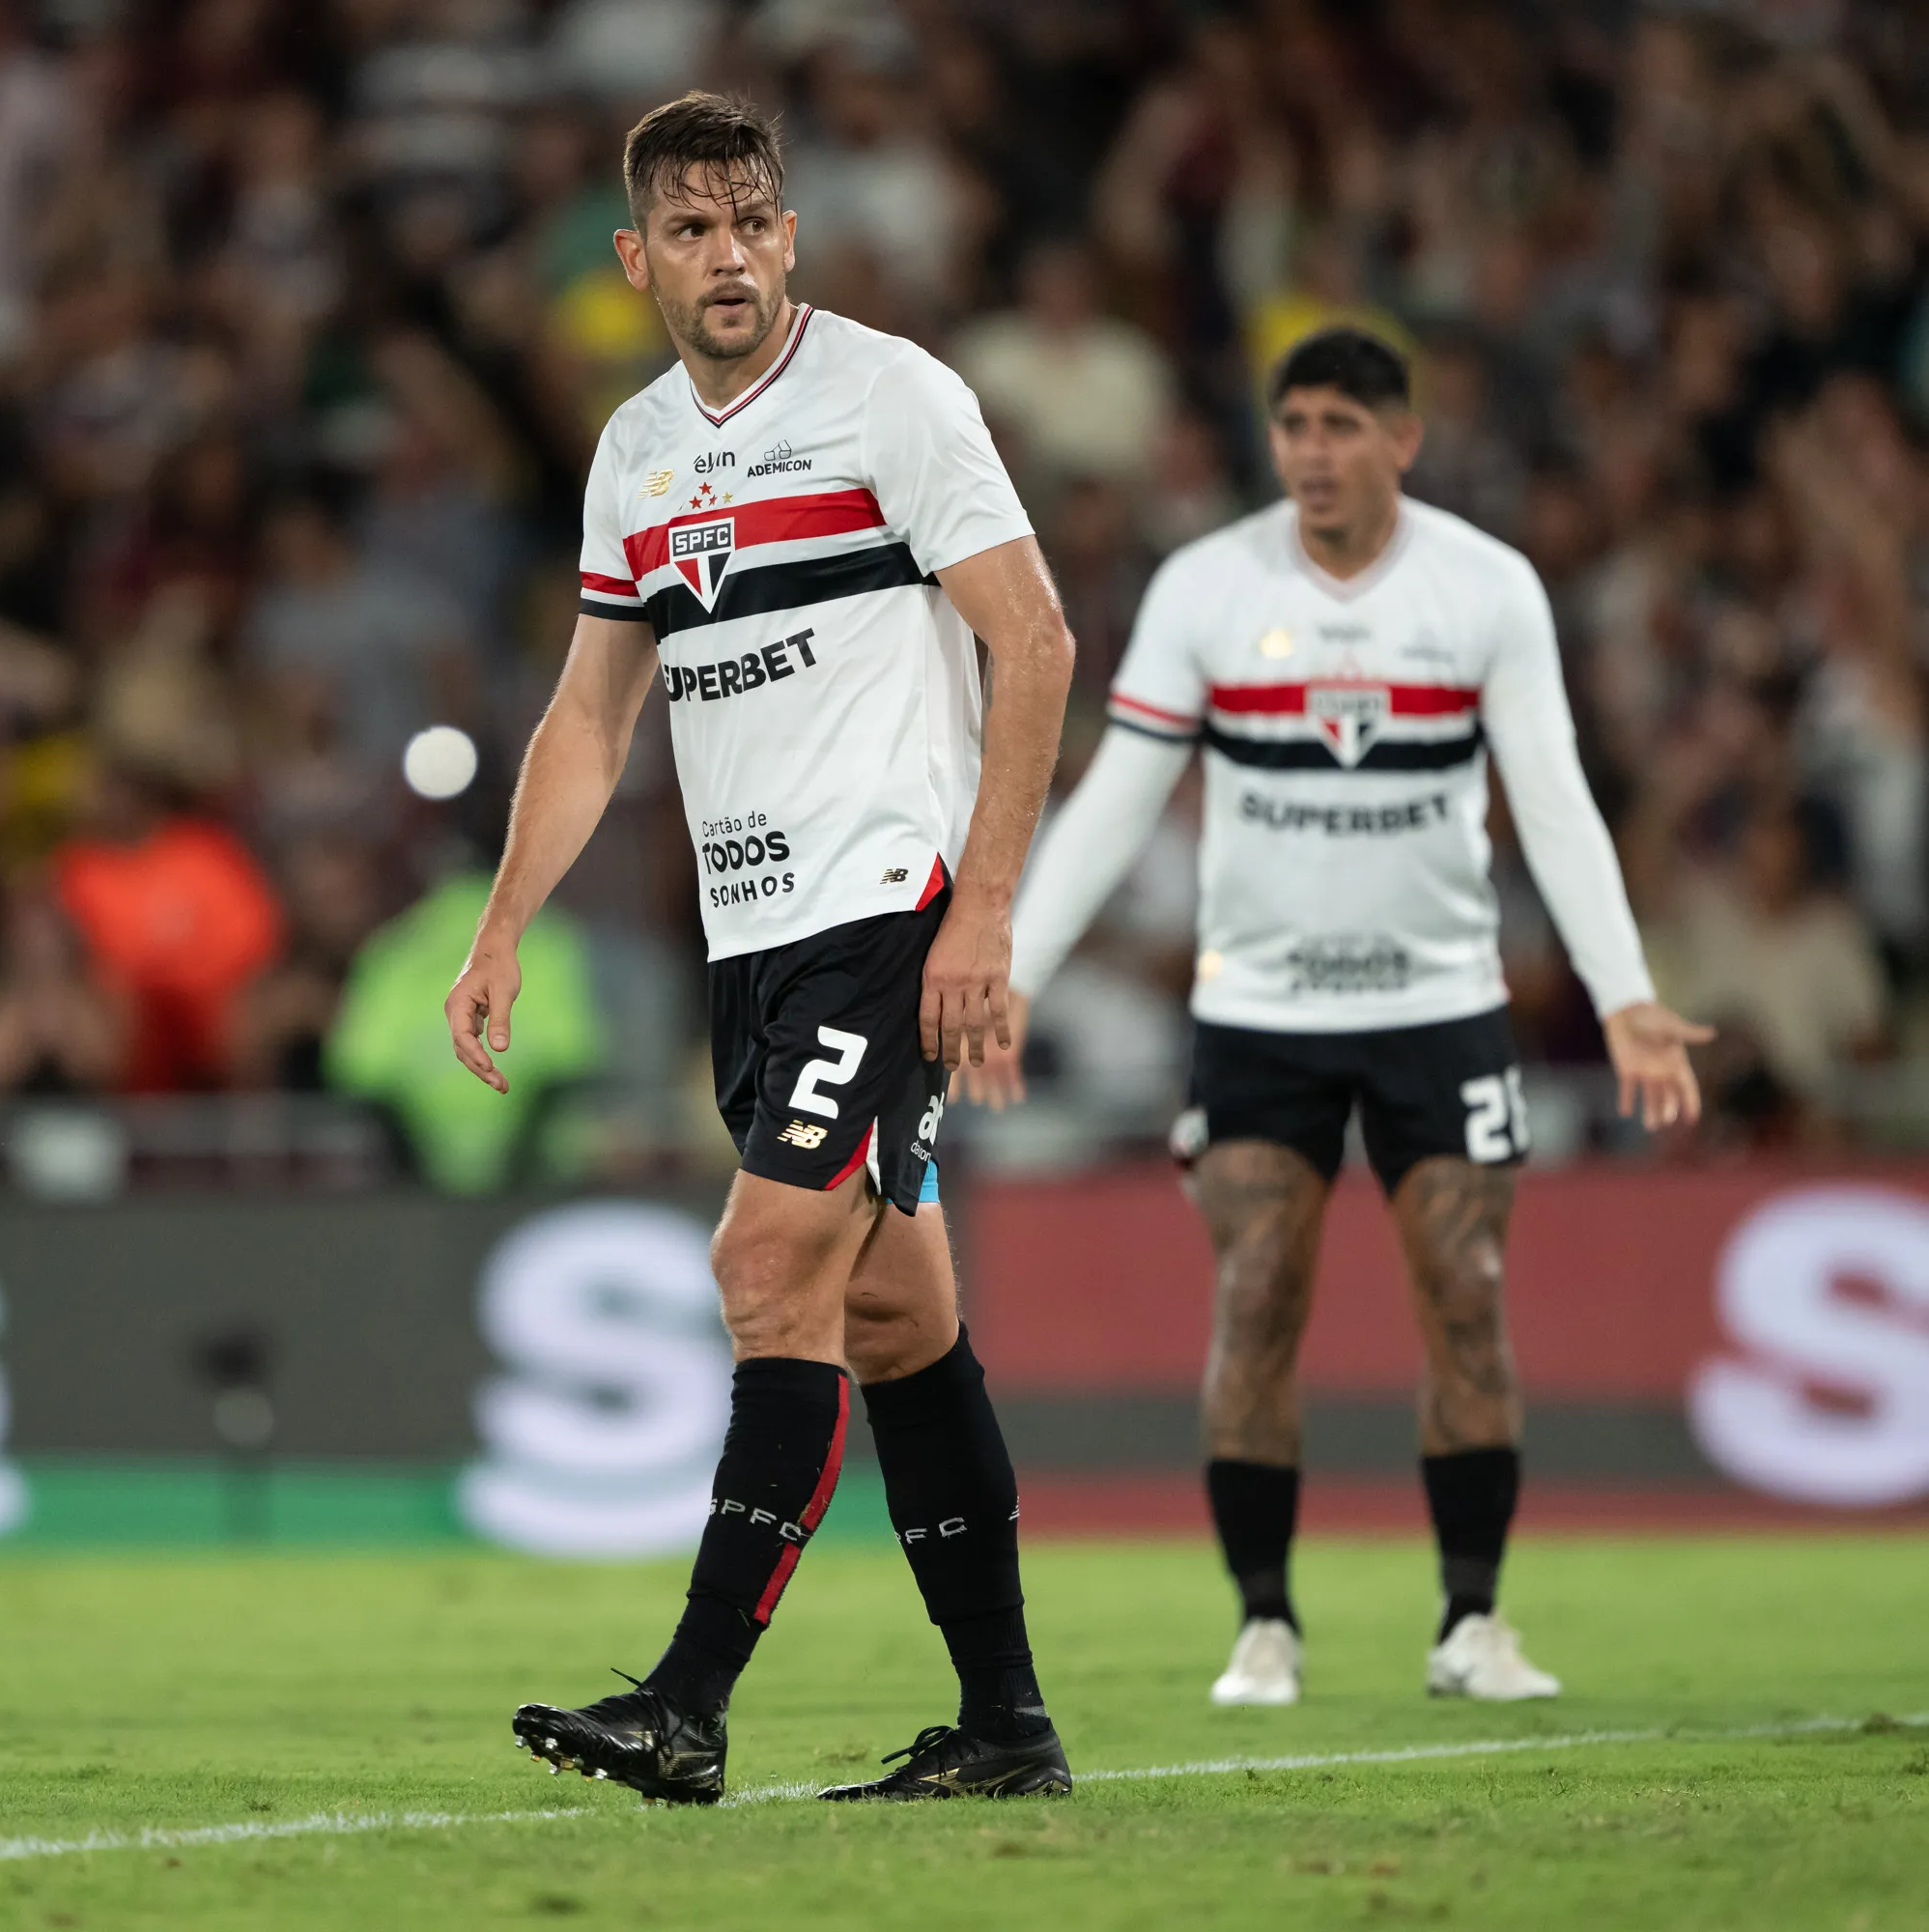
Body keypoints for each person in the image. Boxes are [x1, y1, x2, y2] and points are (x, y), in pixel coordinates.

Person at [448, 94, 1076, 1804]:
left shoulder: (893, 397)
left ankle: (689, 1703)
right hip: (759, 940)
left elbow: (1034, 641)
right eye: (692, 231)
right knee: (893, 1326)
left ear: (790, 238)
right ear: (636, 259)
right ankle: (1008, 1725)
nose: (727, 257)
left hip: (889, 911)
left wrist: (988, 909)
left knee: (762, 1268)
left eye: (753, 224)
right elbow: (592, 715)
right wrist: (502, 927)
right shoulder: (638, 453)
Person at [971, 328, 1713, 1708]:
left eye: (1339, 425)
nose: (1311, 451)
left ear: (1402, 440)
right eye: (1294, 424)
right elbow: (1119, 791)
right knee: (1256, 1297)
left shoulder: (1485, 589)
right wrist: (1015, 967)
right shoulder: (1210, 587)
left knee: (1468, 1297)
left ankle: (1472, 1621)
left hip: (1442, 1004)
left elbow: (1554, 799)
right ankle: (1266, 1625)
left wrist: (1625, 996)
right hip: (1261, 1011)